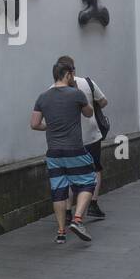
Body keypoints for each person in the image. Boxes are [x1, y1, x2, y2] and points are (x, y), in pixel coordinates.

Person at [30, 59, 95, 244]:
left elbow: (34, 124)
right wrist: (77, 89)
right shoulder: (76, 94)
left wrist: (49, 127)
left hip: (53, 153)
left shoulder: (43, 97)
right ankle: (77, 220)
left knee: (59, 190)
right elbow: (89, 113)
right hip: (74, 149)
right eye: (72, 74)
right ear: (68, 74)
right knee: (88, 181)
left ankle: (60, 232)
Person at [56, 55, 109, 219]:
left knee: (68, 174)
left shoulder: (54, 88)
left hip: (67, 140)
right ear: (73, 69)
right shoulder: (88, 83)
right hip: (91, 136)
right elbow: (104, 101)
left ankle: (67, 211)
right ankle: (93, 203)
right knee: (95, 170)